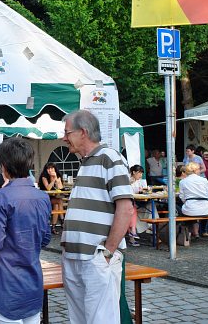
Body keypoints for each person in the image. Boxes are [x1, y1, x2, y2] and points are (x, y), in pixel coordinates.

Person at [60, 110, 133, 324]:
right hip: (75, 256)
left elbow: (125, 208)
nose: (64, 138)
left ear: (83, 132)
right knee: (80, 320)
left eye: (67, 133)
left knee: (101, 319)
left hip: (95, 257)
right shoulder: (86, 162)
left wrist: (107, 252)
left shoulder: (109, 157)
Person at [0, 138, 51, 324]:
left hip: (7, 282)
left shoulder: (0, 197)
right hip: (33, 279)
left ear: (4, 166)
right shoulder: (42, 197)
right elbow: (45, 238)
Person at [179, 162, 208, 239]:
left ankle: (189, 233)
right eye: (198, 169)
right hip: (206, 210)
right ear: (195, 170)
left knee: (185, 211)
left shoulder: (182, 182)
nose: (200, 171)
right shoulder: (204, 180)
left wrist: (188, 202)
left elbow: (182, 197)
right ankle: (201, 231)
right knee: (200, 211)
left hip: (190, 209)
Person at [39, 163, 64, 234]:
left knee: (57, 204)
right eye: (48, 168)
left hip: (52, 198)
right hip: (44, 198)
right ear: (46, 170)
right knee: (59, 201)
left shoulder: (57, 176)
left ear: (55, 169)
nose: (50, 170)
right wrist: (53, 180)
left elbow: (61, 188)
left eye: (52, 168)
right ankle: (62, 221)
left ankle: (53, 227)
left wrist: (56, 178)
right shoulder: (44, 177)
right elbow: (48, 188)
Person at [127, 165, 147, 247]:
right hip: (129, 203)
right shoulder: (128, 179)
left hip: (136, 202)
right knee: (132, 209)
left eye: (142, 173)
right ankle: (133, 233)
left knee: (150, 207)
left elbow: (139, 190)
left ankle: (154, 231)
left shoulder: (138, 181)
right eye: (139, 173)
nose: (141, 175)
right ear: (134, 172)